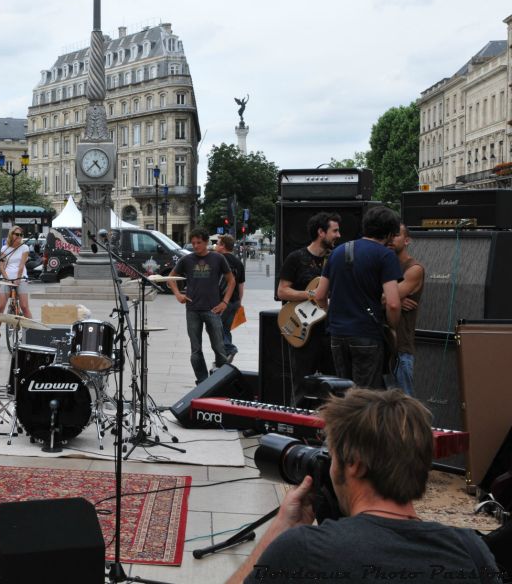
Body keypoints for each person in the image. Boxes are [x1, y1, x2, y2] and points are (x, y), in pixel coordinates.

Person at [229, 389, 501, 583]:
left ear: (355, 464)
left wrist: (279, 529)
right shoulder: (471, 551)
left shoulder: (302, 551)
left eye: (332, 455)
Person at [314, 206, 402, 389]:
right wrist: (392, 327)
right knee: (364, 396)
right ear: (388, 233)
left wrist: (331, 313)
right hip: (366, 333)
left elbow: (320, 295)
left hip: (337, 334)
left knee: (344, 392)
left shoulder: (337, 252)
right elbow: (393, 303)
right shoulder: (386, 256)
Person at [277, 212, 341, 405]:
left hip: (329, 330)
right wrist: (311, 295)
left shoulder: (336, 259)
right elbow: (282, 291)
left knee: (333, 386)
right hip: (303, 329)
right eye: (334, 231)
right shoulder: (296, 258)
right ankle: (296, 424)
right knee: (300, 384)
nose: (338, 235)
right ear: (321, 232)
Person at [169, 228, 235, 383]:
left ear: (206, 242)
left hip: (213, 309)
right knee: (195, 349)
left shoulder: (218, 258)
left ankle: (221, 380)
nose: (196, 246)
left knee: (219, 348)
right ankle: (203, 381)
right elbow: (171, 278)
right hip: (192, 310)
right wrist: (178, 294)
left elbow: (231, 280)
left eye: (199, 242)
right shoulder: (187, 260)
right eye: (193, 243)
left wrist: (225, 301)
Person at [389, 224, 423, 396]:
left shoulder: (414, 268)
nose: (390, 238)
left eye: (396, 235)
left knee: (403, 404)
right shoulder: (384, 265)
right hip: (381, 345)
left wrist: (391, 298)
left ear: (407, 240)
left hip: (402, 347)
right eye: (388, 235)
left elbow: (376, 296)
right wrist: (395, 299)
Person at [0, 227, 32, 348]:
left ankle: (32, 333)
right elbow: (2, 266)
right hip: (7, 278)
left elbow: (21, 266)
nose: (19, 237)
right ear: (11, 235)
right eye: (17, 234)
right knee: (0, 307)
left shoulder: (24, 248)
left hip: (21, 278)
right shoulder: (5, 248)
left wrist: (18, 279)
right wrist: (6, 278)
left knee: (24, 306)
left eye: (21, 234)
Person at [215, 234, 245, 359]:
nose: (215, 245)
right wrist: (239, 302)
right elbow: (241, 286)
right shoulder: (238, 263)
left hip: (222, 302)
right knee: (225, 330)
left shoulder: (218, 260)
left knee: (216, 329)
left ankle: (229, 348)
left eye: (217, 243)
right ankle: (223, 360)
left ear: (223, 246)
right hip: (234, 302)